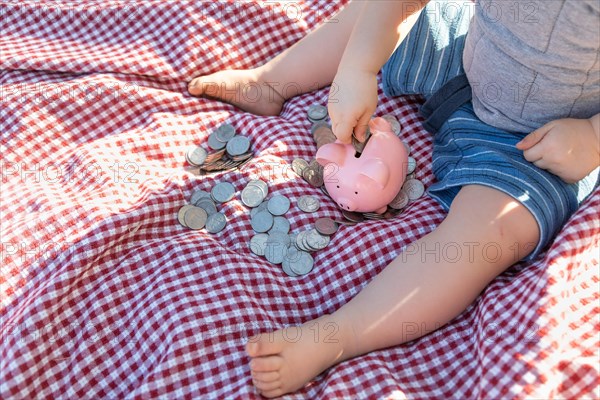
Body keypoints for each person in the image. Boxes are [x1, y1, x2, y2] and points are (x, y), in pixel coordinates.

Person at [188, 0, 600, 397]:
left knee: (494, 231)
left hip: (543, 140)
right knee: (371, 17)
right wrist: (359, 68)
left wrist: (592, 139)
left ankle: (341, 333)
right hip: (465, 55)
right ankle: (271, 81)